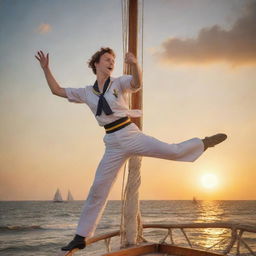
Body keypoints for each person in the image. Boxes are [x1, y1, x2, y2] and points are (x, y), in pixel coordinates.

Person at [35, 47, 227, 252]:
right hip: (112, 142)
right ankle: (80, 236)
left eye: (113, 60)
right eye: (107, 59)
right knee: (98, 188)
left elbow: (137, 83)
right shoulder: (86, 93)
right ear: (96, 63)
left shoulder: (119, 82)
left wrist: (135, 64)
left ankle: (203, 143)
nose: (111, 63)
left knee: (172, 151)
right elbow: (57, 90)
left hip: (129, 133)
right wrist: (46, 68)